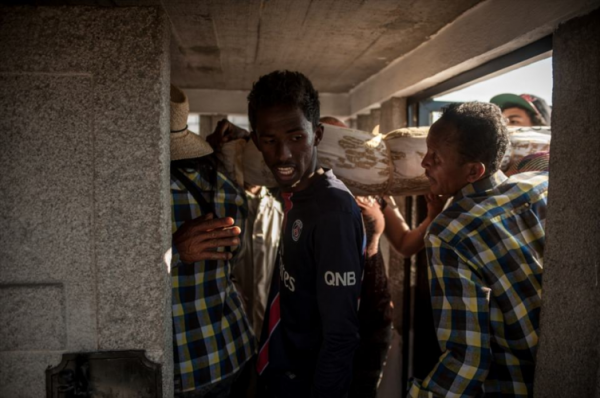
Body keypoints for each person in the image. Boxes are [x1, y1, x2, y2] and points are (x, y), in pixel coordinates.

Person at [408, 102, 548, 397]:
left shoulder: (449, 232)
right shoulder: (537, 188)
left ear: (473, 171)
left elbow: (467, 359)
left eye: (436, 157)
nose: (424, 163)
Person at [250, 71, 365, 398]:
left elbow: (341, 337)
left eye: (296, 137)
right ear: (257, 141)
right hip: (280, 372)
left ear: (316, 134)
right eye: (270, 140)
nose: (283, 154)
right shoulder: (294, 196)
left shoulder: (332, 212)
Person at [169, 85, 254, 397]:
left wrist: (173, 253)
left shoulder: (145, 196)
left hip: (186, 365)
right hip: (232, 345)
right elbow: (239, 257)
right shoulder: (223, 186)